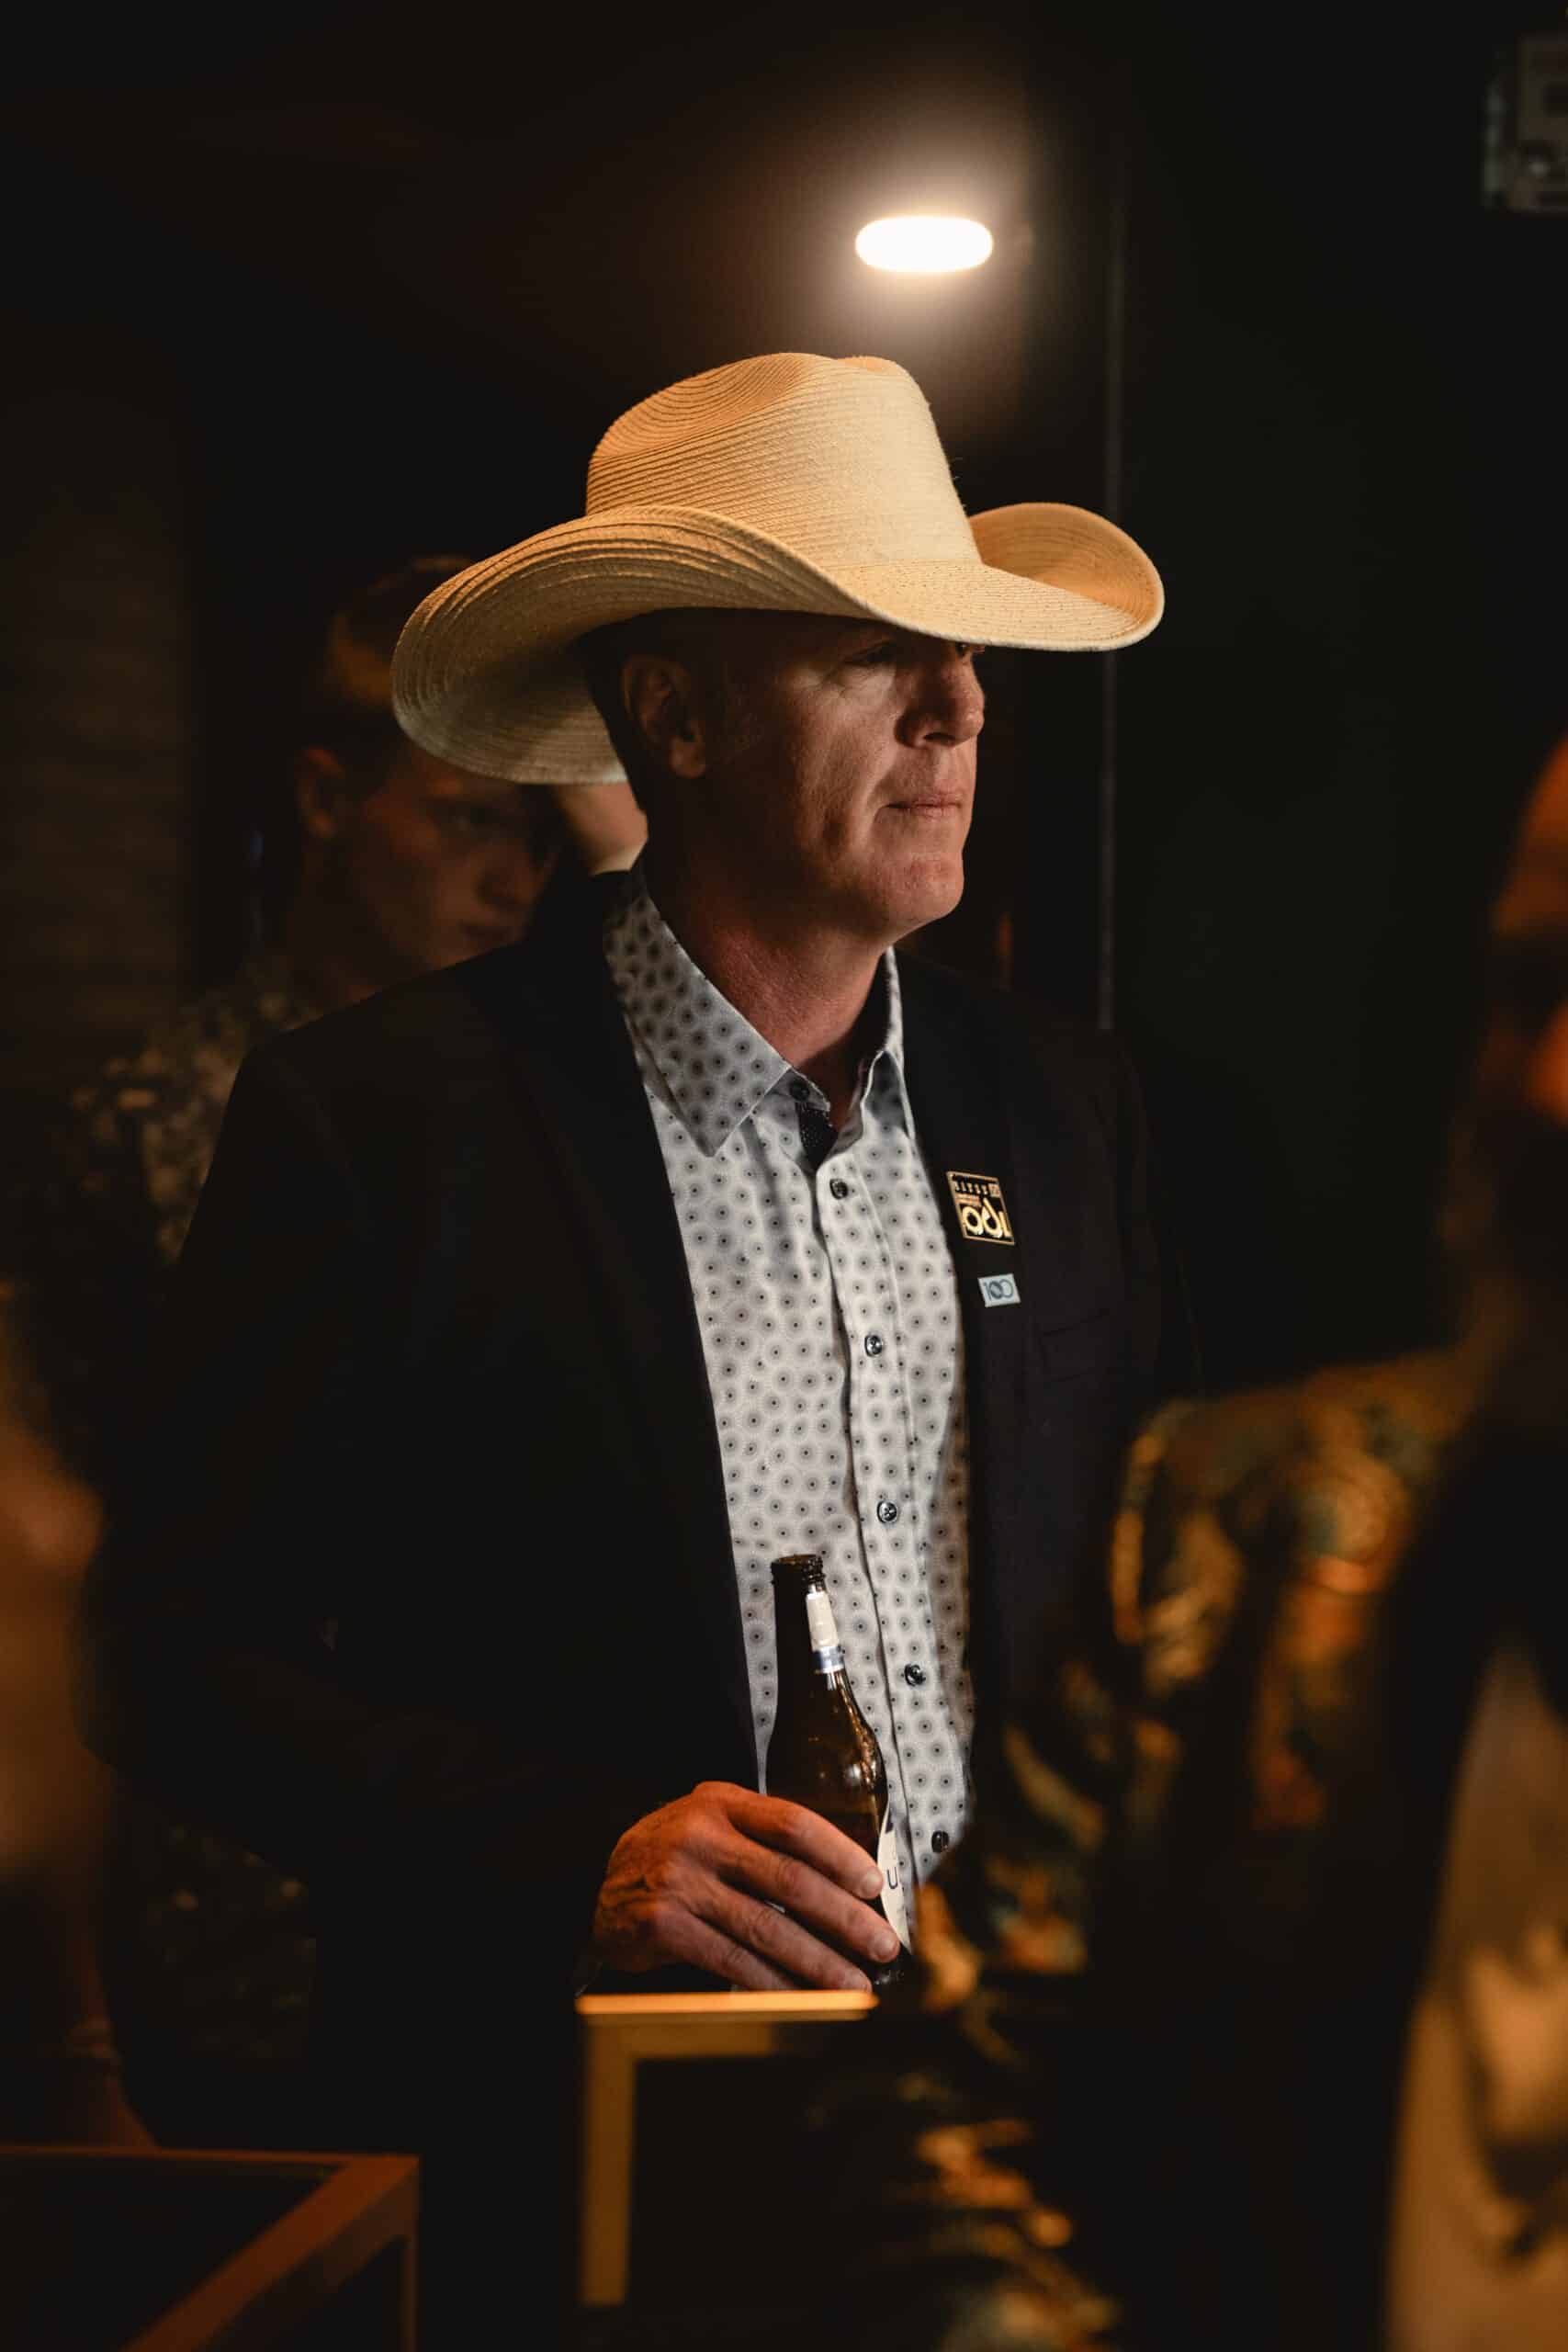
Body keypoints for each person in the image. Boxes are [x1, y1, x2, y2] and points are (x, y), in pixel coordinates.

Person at [78, 351, 1166, 2322]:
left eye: (964, 653)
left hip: (1001, 2133)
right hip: (564, 2141)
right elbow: (171, 1659)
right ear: (673, 714)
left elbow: (1110, 1597)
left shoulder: (1057, 1106)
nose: (959, 706)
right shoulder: (381, 1121)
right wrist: (571, 1851)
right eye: (876, 651)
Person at [813, 733, 1568, 2352]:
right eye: (1530, 986)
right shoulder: (1256, 1535)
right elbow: (940, 2113)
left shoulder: (1053, 1099)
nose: (1553, 1089)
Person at [6, 555, 642, 2153]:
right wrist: (77, 2032)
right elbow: (63, 1590)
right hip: (231, 1941)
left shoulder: (548, 1119)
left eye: (540, 835)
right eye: (468, 820)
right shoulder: (159, 1125)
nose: (511, 877)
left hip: (505, 1916)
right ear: (326, 798)